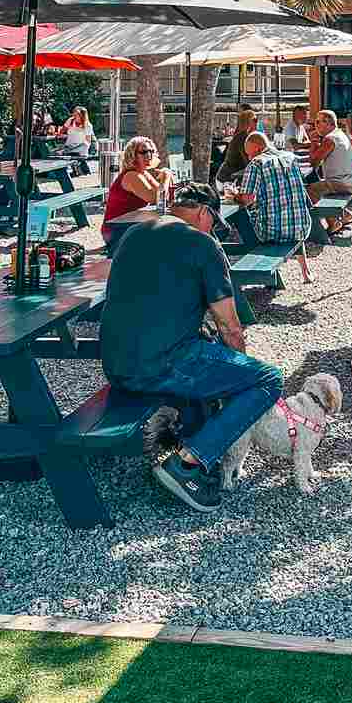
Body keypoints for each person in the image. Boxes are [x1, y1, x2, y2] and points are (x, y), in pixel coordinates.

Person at [100, 181, 283, 513]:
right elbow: (230, 325)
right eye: (214, 221)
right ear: (204, 212)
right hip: (161, 365)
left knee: (204, 348)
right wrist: (238, 370)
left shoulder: (135, 233)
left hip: (115, 361)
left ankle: (191, 435)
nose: (213, 228)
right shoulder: (202, 244)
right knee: (267, 379)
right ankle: (188, 462)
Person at [231, 132, 313, 284]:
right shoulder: (290, 157)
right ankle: (305, 271)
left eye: (250, 154)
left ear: (258, 148)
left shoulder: (256, 163)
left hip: (273, 232)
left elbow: (247, 200)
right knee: (288, 211)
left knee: (240, 217)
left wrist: (235, 195)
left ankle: (246, 276)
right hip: (301, 228)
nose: (249, 158)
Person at [101, 135, 175, 243]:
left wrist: (166, 179)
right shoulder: (132, 175)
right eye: (144, 152)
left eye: (151, 151)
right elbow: (155, 198)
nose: (149, 155)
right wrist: (167, 176)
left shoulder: (143, 173)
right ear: (133, 156)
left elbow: (164, 197)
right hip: (115, 230)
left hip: (131, 223)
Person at [306, 109, 352, 209]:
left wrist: (313, 142)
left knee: (309, 190)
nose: (315, 125)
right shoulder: (339, 134)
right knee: (319, 184)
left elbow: (313, 163)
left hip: (343, 182)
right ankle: (345, 216)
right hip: (351, 180)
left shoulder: (330, 139)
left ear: (328, 123)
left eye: (318, 121)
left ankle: (331, 222)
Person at [216, 107, 258, 187]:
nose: (257, 122)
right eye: (255, 120)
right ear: (248, 122)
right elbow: (249, 162)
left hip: (231, 176)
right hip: (227, 179)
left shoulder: (245, 136)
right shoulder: (243, 137)